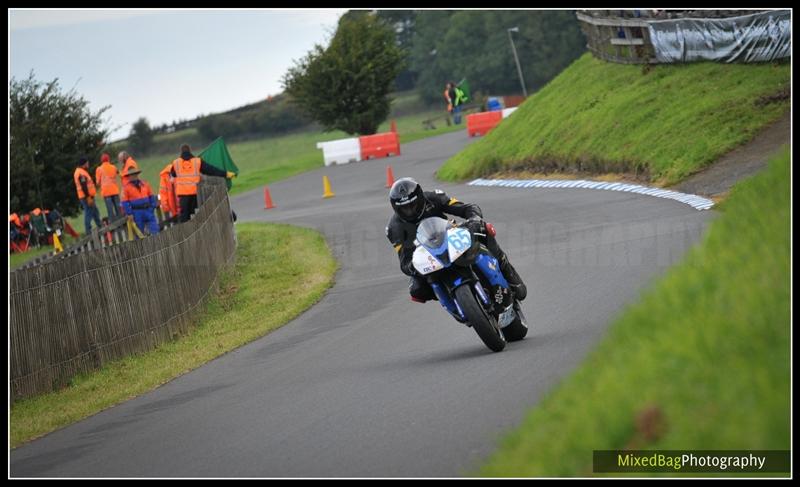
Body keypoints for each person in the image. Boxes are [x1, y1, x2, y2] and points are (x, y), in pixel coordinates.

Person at [386, 177, 527, 303]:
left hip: (450, 235)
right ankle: (449, 297)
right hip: (427, 254)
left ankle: (507, 270)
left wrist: (474, 219)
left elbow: (467, 208)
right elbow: (404, 260)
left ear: (420, 198)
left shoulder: (434, 198)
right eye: (404, 209)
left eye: (413, 205)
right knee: (416, 289)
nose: (410, 211)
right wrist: (412, 266)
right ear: (395, 208)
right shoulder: (395, 228)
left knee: (483, 229)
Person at [170, 144, 236, 223]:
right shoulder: (197, 161)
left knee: (184, 216)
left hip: (183, 195)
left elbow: (173, 174)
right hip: (195, 193)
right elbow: (211, 170)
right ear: (190, 151)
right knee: (196, 214)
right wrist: (225, 174)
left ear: (181, 152)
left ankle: (184, 233)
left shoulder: (176, 163)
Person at [120, 167, 159, 236]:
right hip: (136, 213)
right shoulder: (126, 188)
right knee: (139, 234)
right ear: (128, 176)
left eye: (135, 174)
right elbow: (125, 202)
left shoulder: (145, 184)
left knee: (155, 230)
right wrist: (130, 213)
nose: (134, 176)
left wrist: (152, 207)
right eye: (132, 175)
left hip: (148, 210)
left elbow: (151, 196)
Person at [73, 157, 102, 235]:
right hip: (86, 197)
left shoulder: (80, 171)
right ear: (84, 164)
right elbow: (84, 186)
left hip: (87, 196)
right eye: (87, 163)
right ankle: (88, 231)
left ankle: (100, 226)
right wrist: (88, 197)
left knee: (95, 212)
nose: (88, 164)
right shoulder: (81, 173)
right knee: (88, 213)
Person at [95, 153, 122, 219]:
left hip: (106, 192)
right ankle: (121, 221)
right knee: (118, 208)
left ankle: (113, 223)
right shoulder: (113, 167)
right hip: (115, 190)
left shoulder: (99, 169)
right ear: (108, 159)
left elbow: (98, 182)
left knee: (110, 210)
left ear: (101, 160)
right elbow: (121, 175)